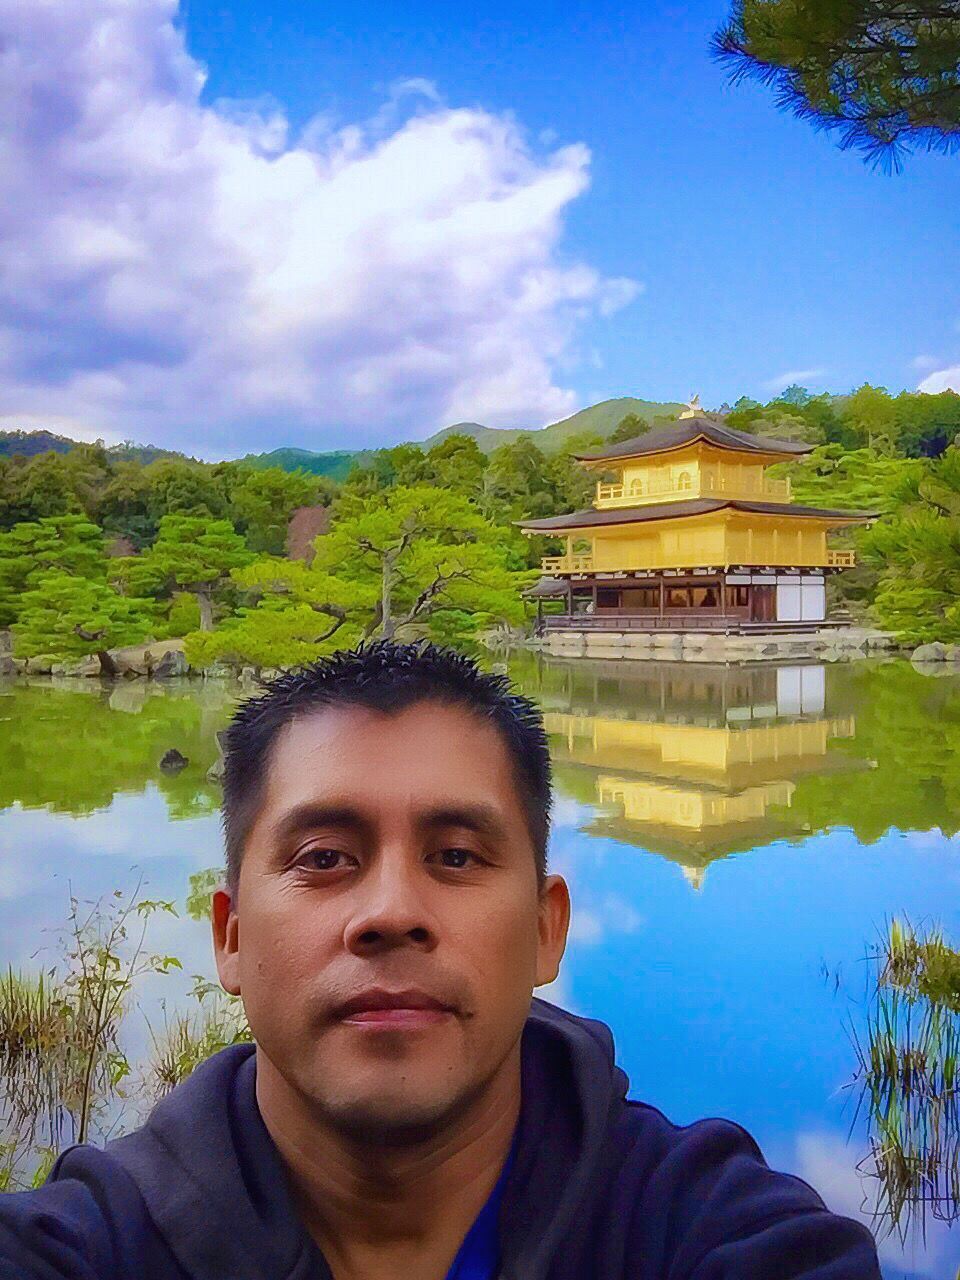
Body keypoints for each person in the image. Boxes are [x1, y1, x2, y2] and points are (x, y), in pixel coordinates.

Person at [0, 642, 880, 1279]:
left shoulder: (701, 1230)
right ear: (229, 936)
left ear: (546, 930)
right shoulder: (89, 1245)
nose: (390, 914)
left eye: (456, 856)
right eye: (323, 859)